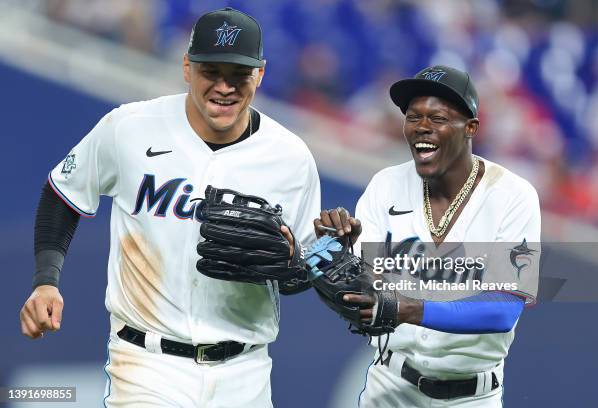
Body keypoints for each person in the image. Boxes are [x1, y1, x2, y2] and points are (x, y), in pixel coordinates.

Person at [19, 7, 320, 407]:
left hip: (245, 372)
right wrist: (46, 280)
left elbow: (310, 262)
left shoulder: (290, 157)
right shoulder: (130, 126)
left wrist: (300, 261)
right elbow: (63, 193)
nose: (225, 87)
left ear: (260, 74)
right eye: (212, 72)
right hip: (146, 364)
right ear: (186, 67)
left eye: (238, 74)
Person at [315, 65, 540, 407]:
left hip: (471, 396)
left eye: (437, 118)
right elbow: (360, 290)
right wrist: (332, 250)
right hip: (389, 386)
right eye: (413, 116)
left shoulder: (512, 196)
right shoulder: (385, 185)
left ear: (470, 128)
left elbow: (504, 310)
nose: (422, 127)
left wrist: (409, 310)